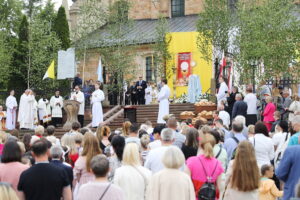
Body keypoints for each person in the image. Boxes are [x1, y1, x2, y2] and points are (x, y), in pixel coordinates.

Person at [186, 134, 224, 199]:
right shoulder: (218, 163)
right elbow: (219, 187)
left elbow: (187, 185)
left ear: (200, 145)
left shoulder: (191, 161)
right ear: (213, 145)